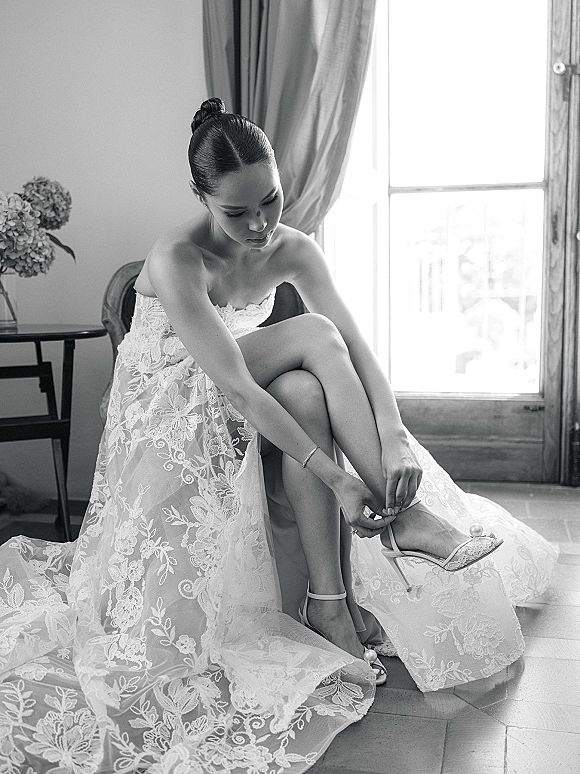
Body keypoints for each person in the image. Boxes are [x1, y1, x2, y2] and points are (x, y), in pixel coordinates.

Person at [0, 99, 558, 774]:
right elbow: (231, 383)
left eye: (270, 200)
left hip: (242, 399)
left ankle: (329, 606)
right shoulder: (177, 257)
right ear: (201, 197)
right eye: (237, 212)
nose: (261, 225)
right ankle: (401, 519)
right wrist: (337, 475)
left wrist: (396, 435)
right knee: (312, 341)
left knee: (304, 386)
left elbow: (357, 348)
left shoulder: (292, 246)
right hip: (165, 418)